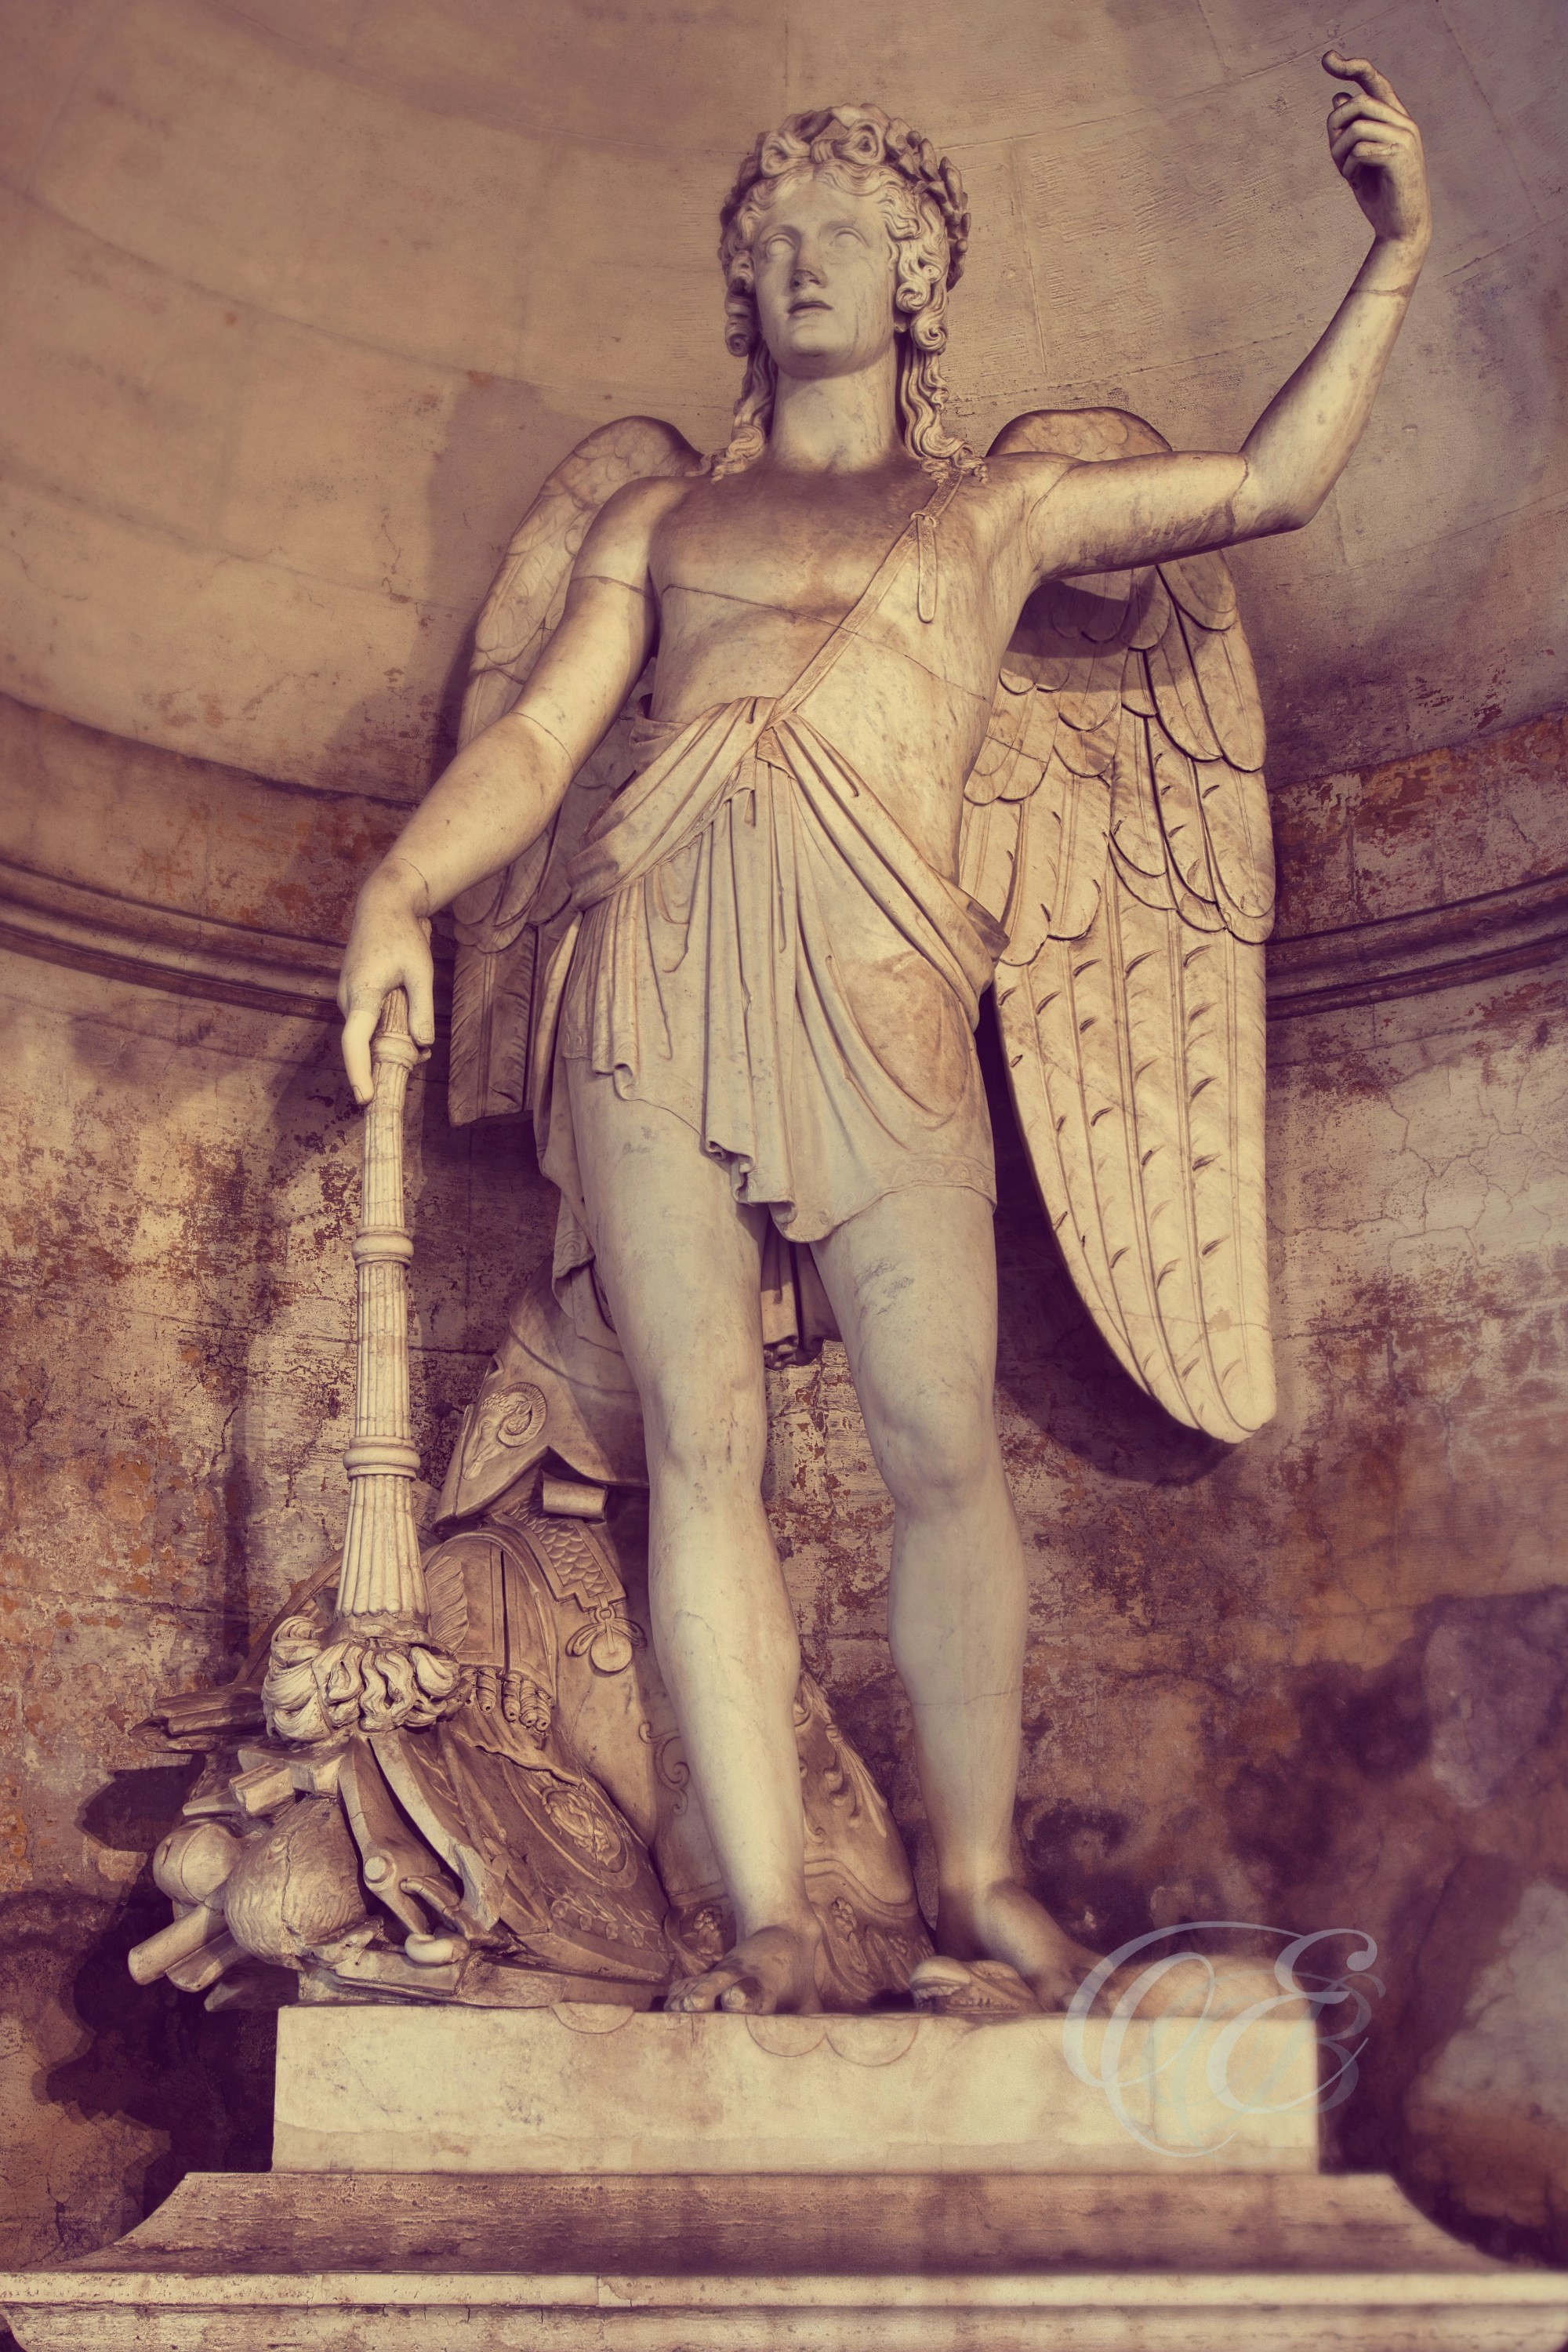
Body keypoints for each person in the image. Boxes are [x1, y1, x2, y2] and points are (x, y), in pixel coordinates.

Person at [336, 56, 1431, 2015]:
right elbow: (535, 742)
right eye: (772, 239)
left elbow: (1270, 488)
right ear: (740, 289)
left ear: (920, 273)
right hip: (657, 965)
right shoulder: (664, 518)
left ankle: (982, 1880)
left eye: (847, 231)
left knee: (941, 1446)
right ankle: (764, 1910)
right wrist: (399, 889)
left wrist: (1395, 257)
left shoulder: (993, 507)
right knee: (701, 1443)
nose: (805, 259)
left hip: (887, 979)